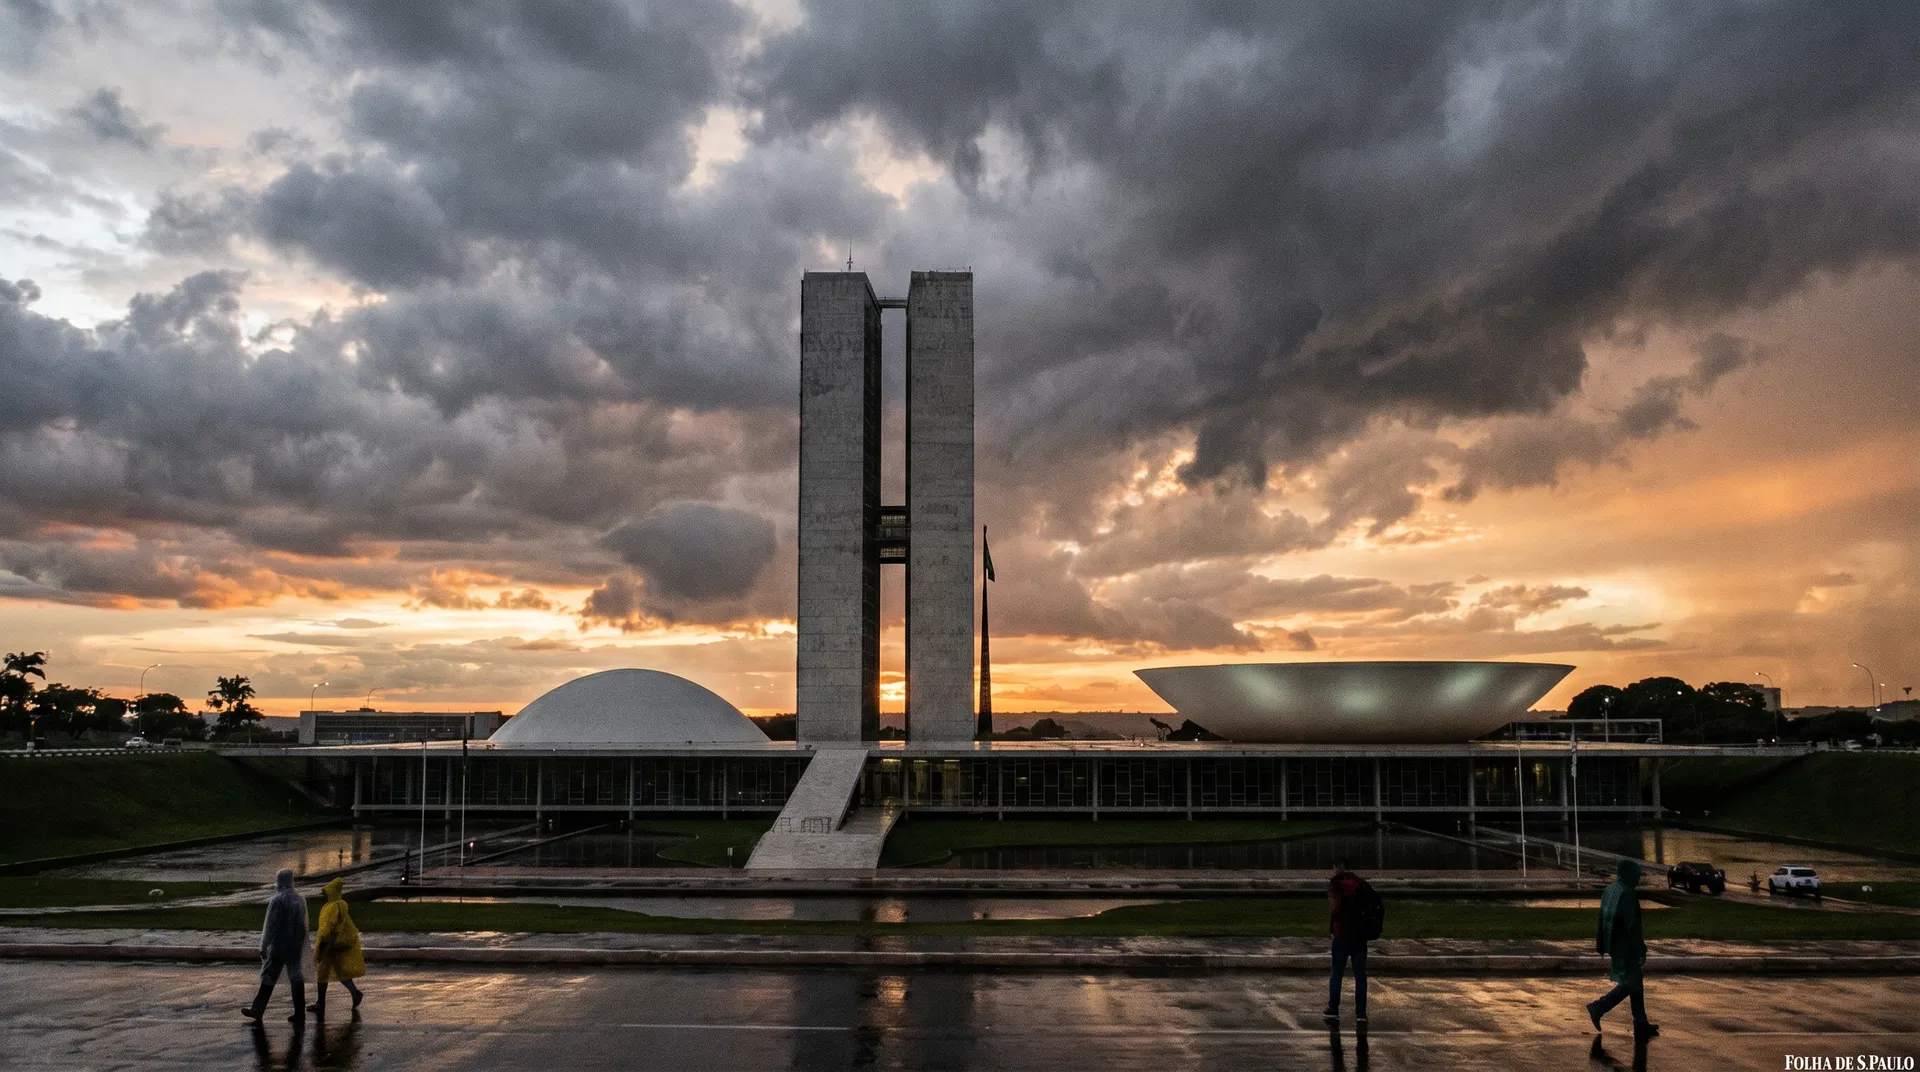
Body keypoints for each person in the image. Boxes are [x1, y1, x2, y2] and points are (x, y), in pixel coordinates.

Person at [1586, 859, 1659, 1038]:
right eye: (1637, 875)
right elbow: (1632, 926)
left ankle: (1640, 1022)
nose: (1638, 879)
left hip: (1614, 943)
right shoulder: (1627, 894)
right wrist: (1641, 948)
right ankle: (1598, 1007)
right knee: (1629, 983)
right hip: (1626, 946)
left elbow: (1602, 918)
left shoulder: (1610, 890)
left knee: (1636, 981)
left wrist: (1600, 943)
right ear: (1629, 875)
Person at [242, 868, 308, 1022]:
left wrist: (263, 946)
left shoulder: (277, 901)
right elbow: (303, 924)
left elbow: (270, 926)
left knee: (269, 976)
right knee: (296, 977)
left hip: (279, 946)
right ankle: (300, 1012)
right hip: (295, 946)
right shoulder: (300, 900)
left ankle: (257, 1009)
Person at [308, 877, 366, 1018]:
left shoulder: (333, 906)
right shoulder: (339, 905)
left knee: (323, 972)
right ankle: (354, 993)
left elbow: (329, 927)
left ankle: (321, 1003)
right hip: (336, 943)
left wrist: (322, 945)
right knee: (339, 971)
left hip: (329, 943)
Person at [1324, 858, 1371, 1023]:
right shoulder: (1361, 884)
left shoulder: (1336, 884)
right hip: (1359, 935)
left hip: (1342, 933)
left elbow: (1334, 907)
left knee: (1337, 972)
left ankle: (1333, 1008)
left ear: (1339, 868)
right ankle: (1361, 1012)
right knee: (1360, 975)